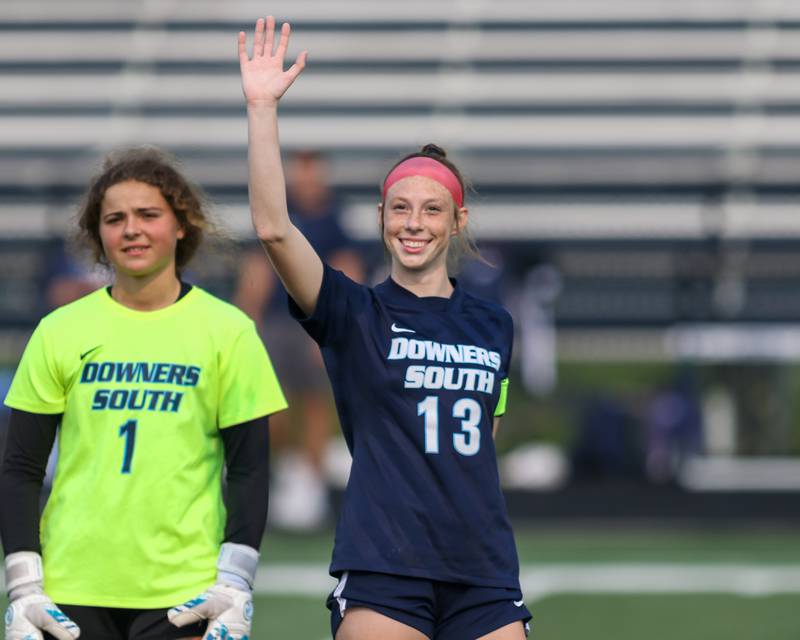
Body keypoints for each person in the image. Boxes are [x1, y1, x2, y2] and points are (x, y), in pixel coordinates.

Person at [238, 17, 531, 640]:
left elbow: (489, 427)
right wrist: (262, 108)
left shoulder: (494, 323)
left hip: (483, 568)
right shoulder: (354, 312)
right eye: (401, 208)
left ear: (458, 221)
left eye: (432, 210)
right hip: (384, 567)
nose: (414, 223)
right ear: (380, 217)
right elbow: (273, 230)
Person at [0, 147, 287, 640]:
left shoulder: (229, 331)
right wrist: (24, 583)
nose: (131, 229)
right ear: (99, 234)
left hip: (187, 590)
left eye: (148, 215)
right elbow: (21, 466)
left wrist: (237, 578)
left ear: (181, 225)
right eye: (115, 219)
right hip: (70, 586)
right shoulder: (59, 330)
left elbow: (249, 468)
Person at [233, 149, 365, 531]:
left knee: (315, 403)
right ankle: (282, 474)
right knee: (270, 405)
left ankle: (309, 483)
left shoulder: (333, 217)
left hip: (315, 322)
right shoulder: (279, 212)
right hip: (277, 320)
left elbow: (348, 268)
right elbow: (258, 268)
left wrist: (336, 324)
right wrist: (248, 319)